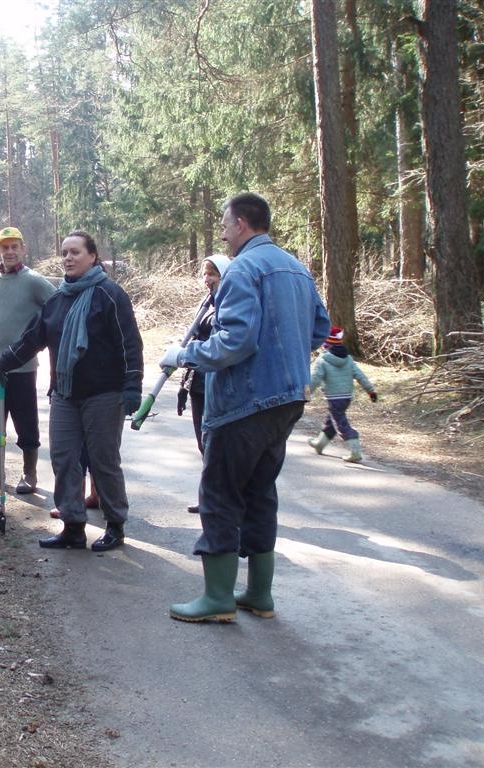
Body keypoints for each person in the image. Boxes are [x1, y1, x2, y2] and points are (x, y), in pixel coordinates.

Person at [160, 192, 330, 622]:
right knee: (259, 493)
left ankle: (218, 599)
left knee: (219, 493)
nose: (220, 230)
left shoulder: (242, 271)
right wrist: (285, 358)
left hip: (242, 403)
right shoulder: (297, 268)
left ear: (240, 224)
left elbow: (233, 343)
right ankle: (258, 594)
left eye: (224, 222)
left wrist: (182, 355)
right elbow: (319, 329)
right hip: (289, 399)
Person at [0, 230, 143, 552]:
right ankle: (73, 527)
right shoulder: (58, 299)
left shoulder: (110, 295)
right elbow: (33, 337)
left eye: (75, 252)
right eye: (64, 253)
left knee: (103, 460)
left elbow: (130, 344)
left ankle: (115, 525)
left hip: (104, 395)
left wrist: (132, 385)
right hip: (64, 394)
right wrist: (3, 363)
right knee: (63, 459)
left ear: (92, 256)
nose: (68, 258)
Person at [0, 226, 56, 494]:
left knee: (25, 421)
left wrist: (39, 336)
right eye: (4, 247)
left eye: (14, 246)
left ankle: (29, 475)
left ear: (23, 249)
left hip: (22, 367)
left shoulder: (35, 281)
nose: (10, 252)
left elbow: (56, 307)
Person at [176, 254, 232, 514]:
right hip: (199, 383)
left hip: (219, 384)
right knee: (203, 442)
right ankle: (210, 495)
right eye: (204, 274)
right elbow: (194, 341)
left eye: (213, 274)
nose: (208, 279)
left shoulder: (230, 303)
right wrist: (183, 385)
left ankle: (222, 499)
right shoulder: (206, 303)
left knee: (219, 444)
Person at [307, 325, 377, 463]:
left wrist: (305, 393)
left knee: (340, 422)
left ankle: (355, 449)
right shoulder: (349, 359)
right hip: (347, 397)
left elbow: (315, 379)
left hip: (334, 398)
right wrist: (371, 391)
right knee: (332, 420)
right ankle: (320, 443)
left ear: (326, 345)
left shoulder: (323, 360)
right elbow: (360, 375)